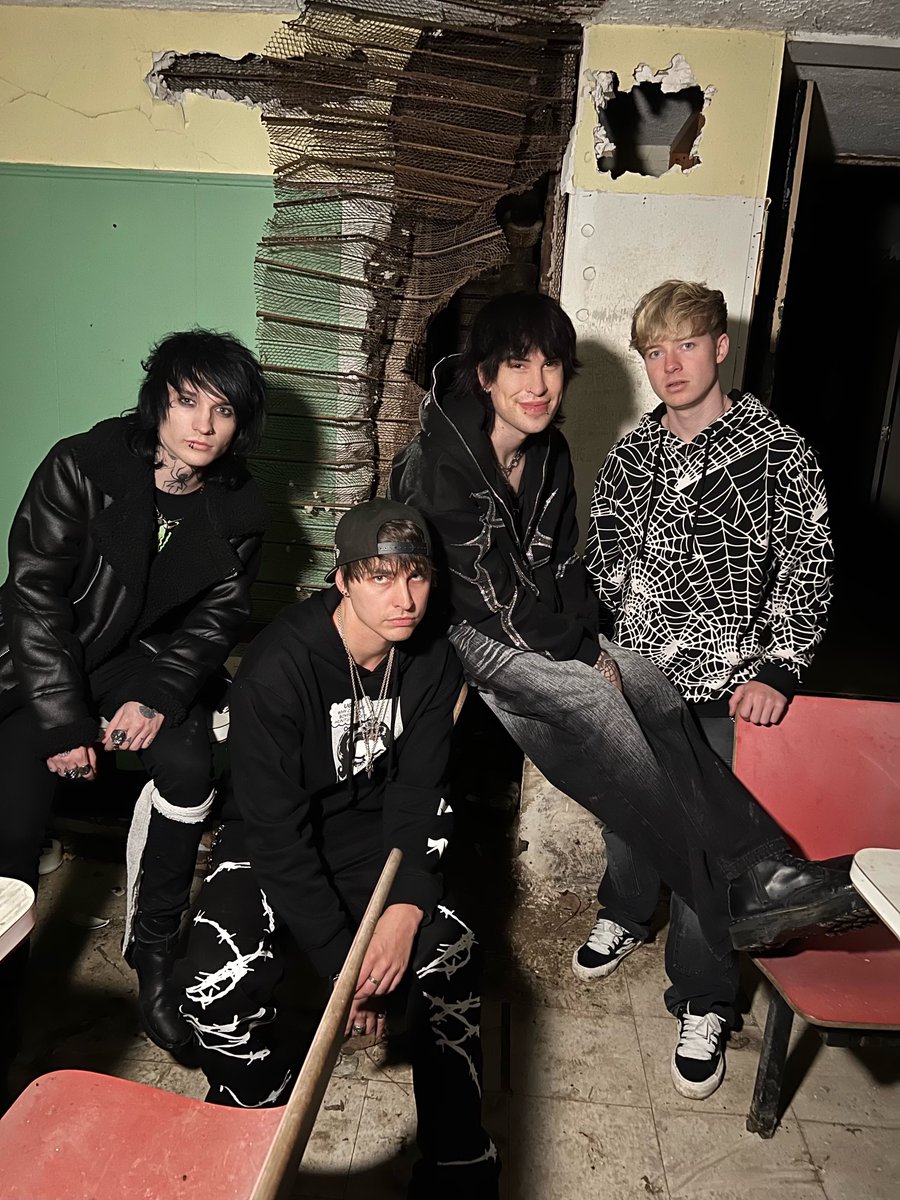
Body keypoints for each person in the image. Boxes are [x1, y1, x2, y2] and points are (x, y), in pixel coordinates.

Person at [388, 289, 869, 979]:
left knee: (644, 683)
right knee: (599, 705)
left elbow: (564, 567)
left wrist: (598, 643)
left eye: (551, 364)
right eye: (517, 365)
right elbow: (494, 600)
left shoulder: (549, 451)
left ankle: (769, 867)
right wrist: (586, 653)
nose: (537, 383)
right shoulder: (443, 461)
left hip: (553, 627)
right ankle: (728, 900)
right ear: (485, 375)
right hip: (466, 630)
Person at [175, 499, 498, 1200]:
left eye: (416, 576)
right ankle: (254, 1120)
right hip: (273, 835)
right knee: (211, 982)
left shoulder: (432, 657)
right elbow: (278, 835)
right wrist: (346, 970)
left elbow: (421, 795)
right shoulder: (279, 668)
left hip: (376, 833)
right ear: (342, 579)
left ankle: (456, 1162)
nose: (404, 598)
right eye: (380, 577)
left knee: (452, 955)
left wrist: (404, 911)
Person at [579, 279, 833, 1098]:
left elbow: (807, 564)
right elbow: (603, 561)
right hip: (635, 672)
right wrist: (589, 646)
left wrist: (780, 666)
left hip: (726, 686)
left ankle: (704, 997)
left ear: (721, 346)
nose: (671, 365)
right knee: (625, 809)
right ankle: (626, 910)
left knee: (704, 846)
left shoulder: (780, 452)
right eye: (655, 352)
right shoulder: (632, 455)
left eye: (686, 345)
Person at [0, 330, 268, 1087]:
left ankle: (154, 957)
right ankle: (4, 1012)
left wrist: (158, 693)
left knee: (189, 765)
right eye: (187, 402)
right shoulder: (81, 465)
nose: (202, 425)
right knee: (13, 832)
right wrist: (63, 719)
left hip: (140, 664)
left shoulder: (240, 504)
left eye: (222, 410)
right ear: (158, 402)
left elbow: (217, 618)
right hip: (38, 664)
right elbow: (34, 596)